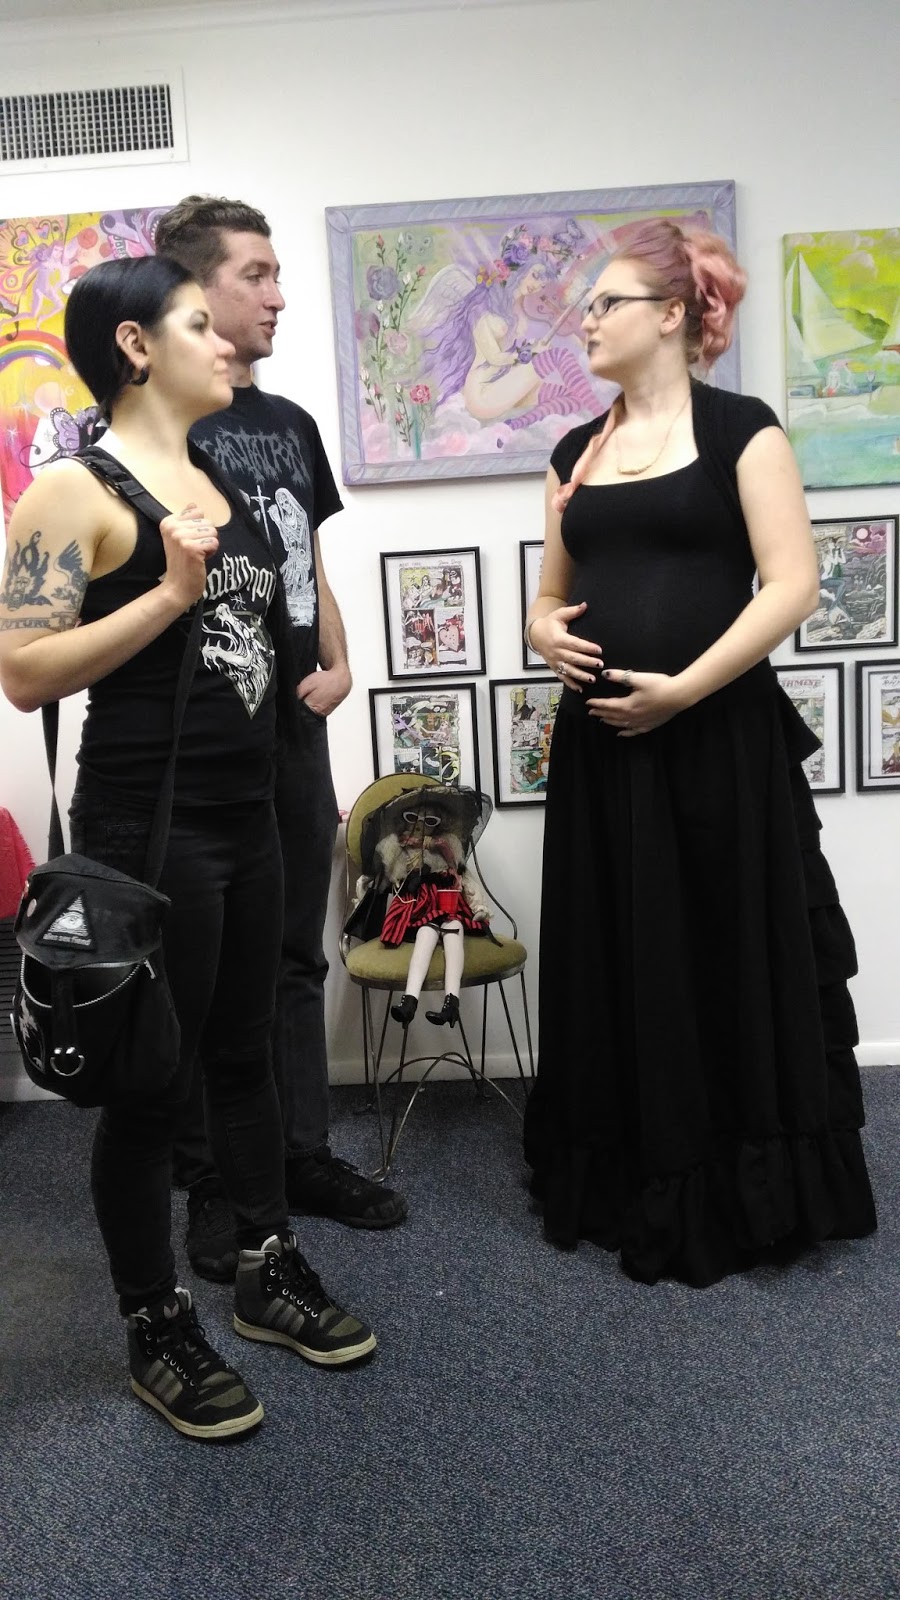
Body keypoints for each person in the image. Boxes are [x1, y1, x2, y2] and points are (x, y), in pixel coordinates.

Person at [0, 256, 375, 1439]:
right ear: (135, 346)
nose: (228, 343)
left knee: (247, 1057)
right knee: (153, 1088)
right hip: (147, 829)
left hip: (248, 813)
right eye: (201, 324)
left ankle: (265, 1262)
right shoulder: (73, 491)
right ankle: (155, 1319)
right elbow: (21, 672)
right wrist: (164, 594)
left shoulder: (216, 471)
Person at [522, 218, 877, 1287]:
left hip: (716, 740)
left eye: (607, 302)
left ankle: (740, 1178)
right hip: (605, 751)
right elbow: (548, 595)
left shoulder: (743, 432)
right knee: (624, 950)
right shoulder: (573, 453)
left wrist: (682, 690)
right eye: (588, 306)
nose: (587, 320)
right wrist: (542, 632)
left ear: (672, 313)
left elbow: (793, 585)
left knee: (726, 945)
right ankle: (636, 1164)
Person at [154, 197, 406, 1279]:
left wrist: (339, 663)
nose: (278, 296)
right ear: (195, 289)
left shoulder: (292, 424)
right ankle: (212, 1180)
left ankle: (301, 1153)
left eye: (278, 274)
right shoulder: (157, 425)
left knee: (299, 954)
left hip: (296, 735)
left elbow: (309, 562)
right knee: (203, 974)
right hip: (202, 739)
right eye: (255, 274)